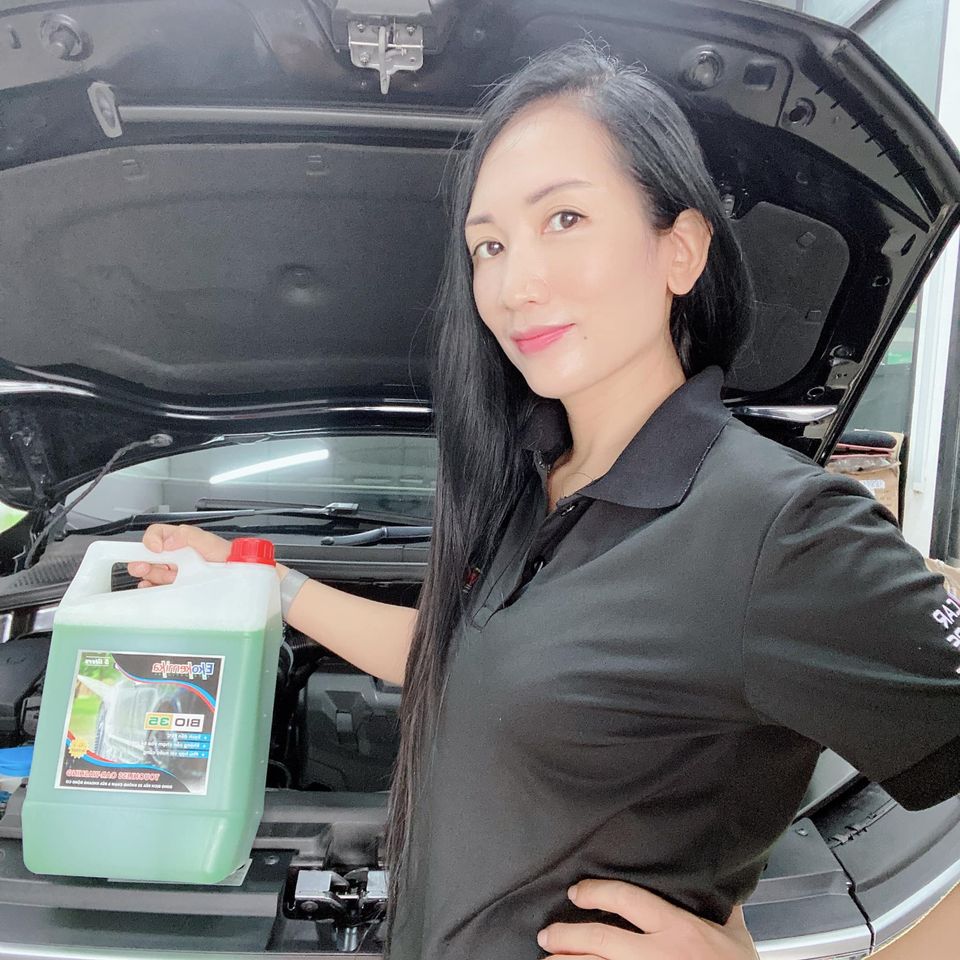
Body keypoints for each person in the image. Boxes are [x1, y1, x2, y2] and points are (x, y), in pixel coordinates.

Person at [129, 41, 960, 960]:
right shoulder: (533, 483)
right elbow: (466, 664)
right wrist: (263, 581)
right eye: (489, 244)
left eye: (565, 217)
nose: (515, 285)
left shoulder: (781, 531)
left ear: (680, 250)